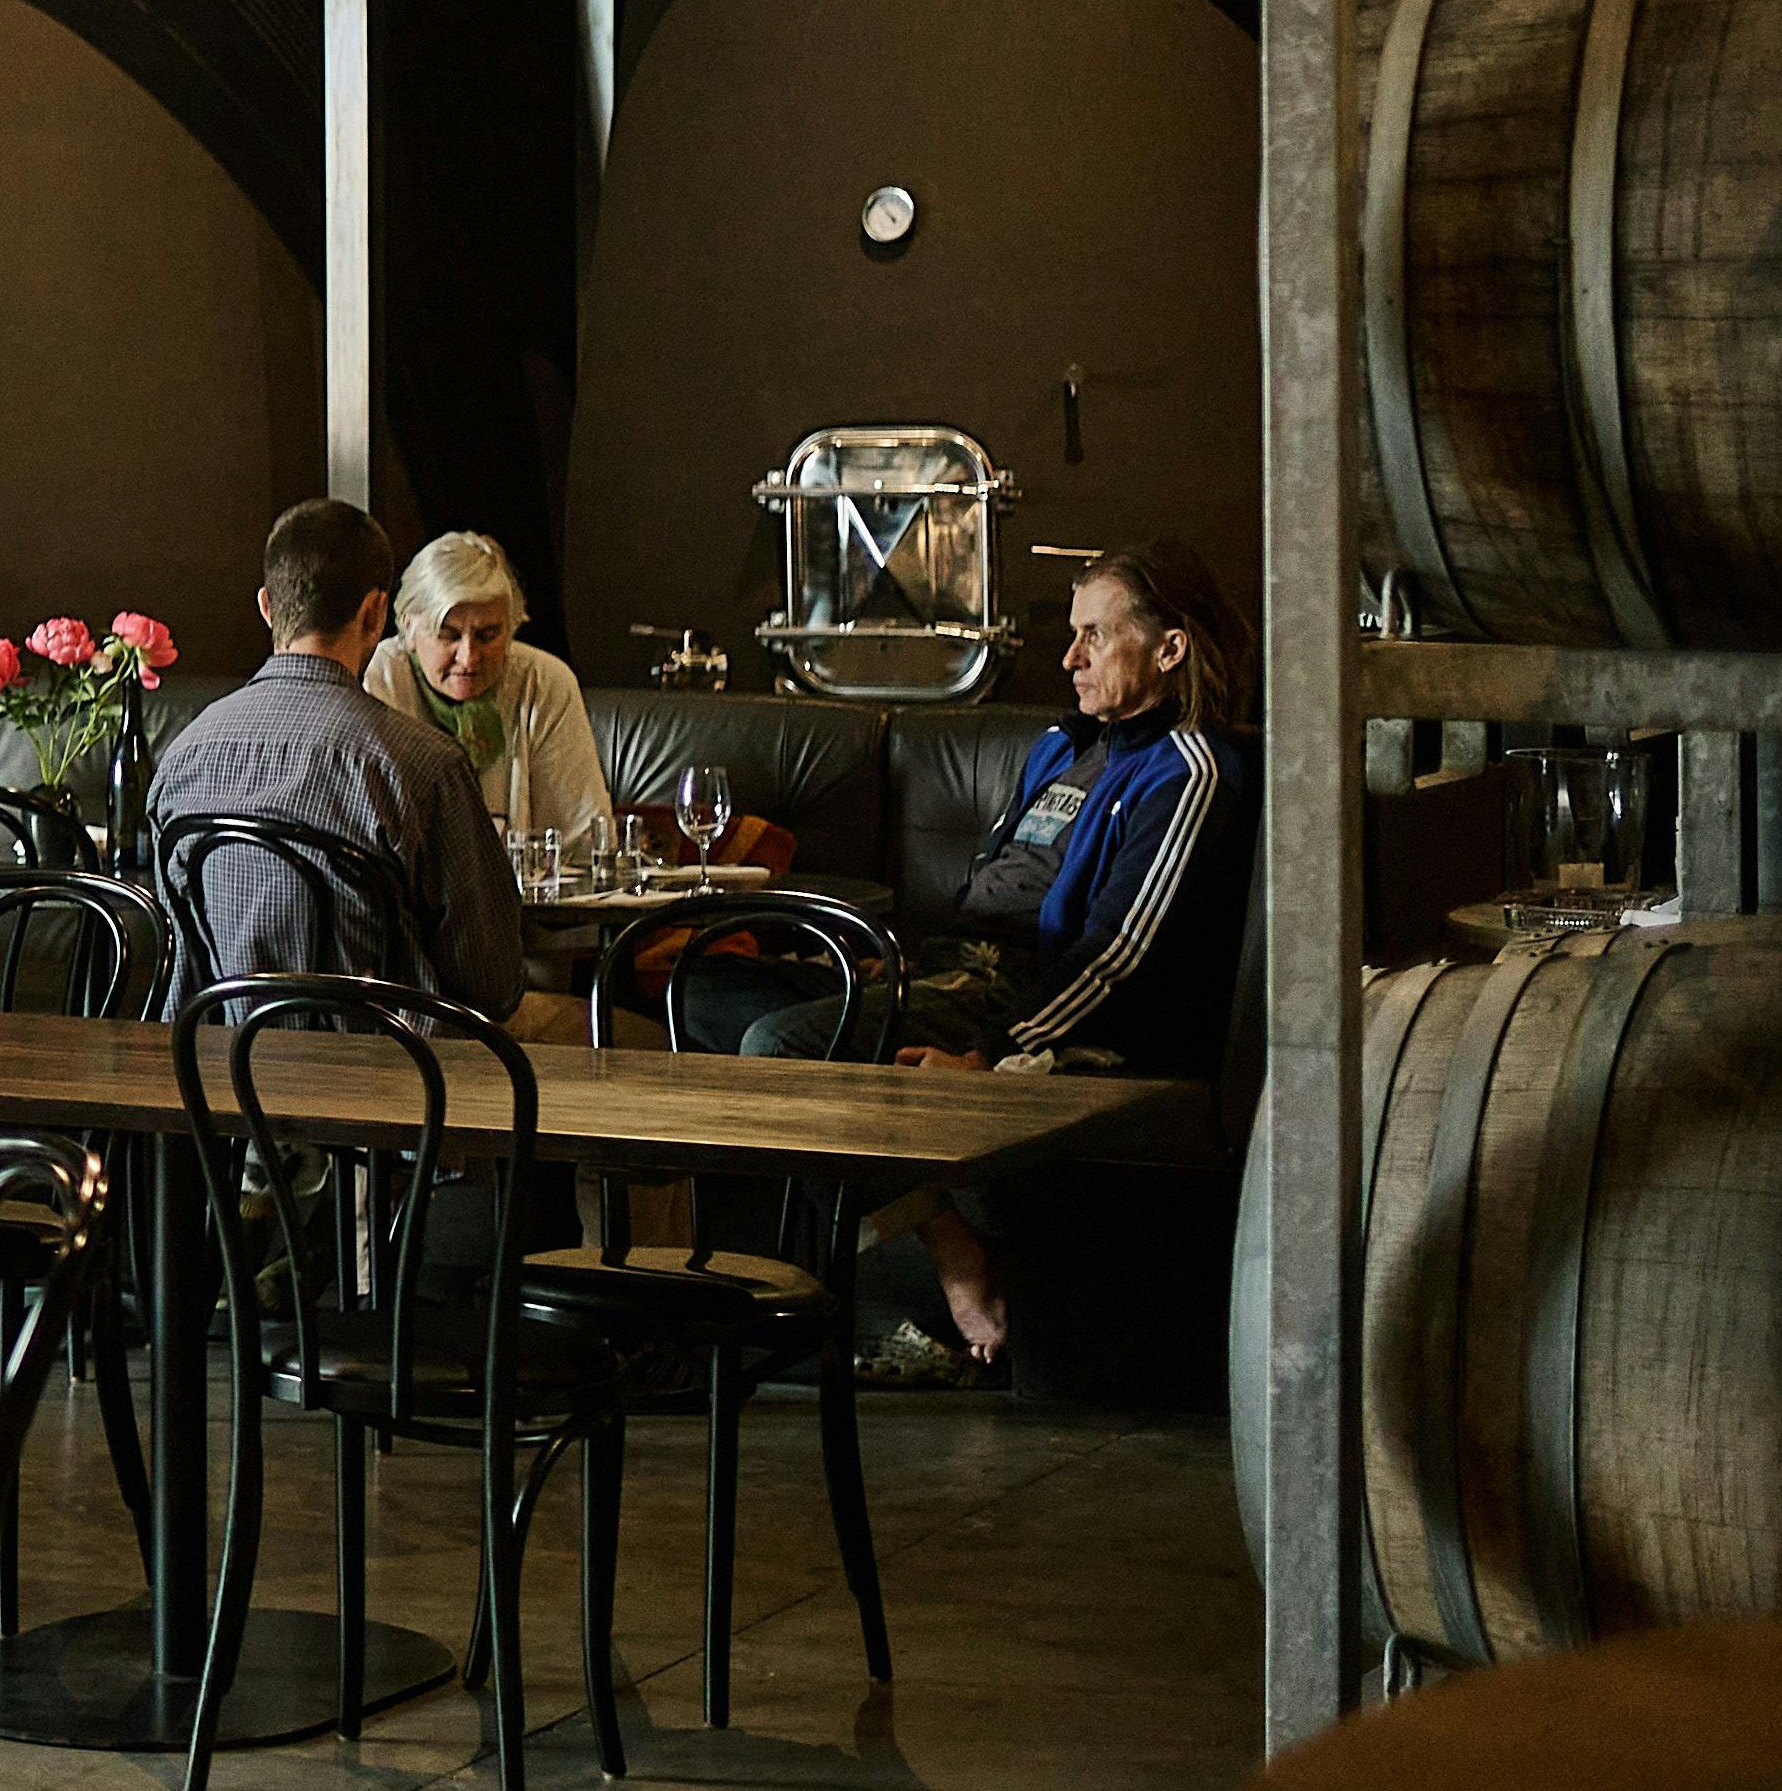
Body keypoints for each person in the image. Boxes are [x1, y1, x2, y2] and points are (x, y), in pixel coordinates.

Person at [725, 545, 1256, 1373]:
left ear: (1168, 649)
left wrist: (993, 1052)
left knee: (780, 1045)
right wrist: (895, 966)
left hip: (1019, 991)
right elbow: (988, 885)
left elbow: (1117, 955)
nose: (1068, 658)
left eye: (1092, 636)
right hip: (948, 966)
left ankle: (949, 1257)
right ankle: (738, 1307)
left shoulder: (1188, 770)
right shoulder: (1061, 747)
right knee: (711, 996)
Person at [150, 497, 524, 1025]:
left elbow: (182, 961)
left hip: (223, 1065)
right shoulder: (423, 767)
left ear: (267, 606)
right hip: (391, 1067)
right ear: (376, 613)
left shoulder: (183, 758)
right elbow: (494, 986)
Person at [361, 528, 609, 848]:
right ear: (408, 628)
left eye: (487, 636)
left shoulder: (544, 681)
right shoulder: (377, 678)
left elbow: (584, 841)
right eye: (449, 635)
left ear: (512, 628)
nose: (468, 658)